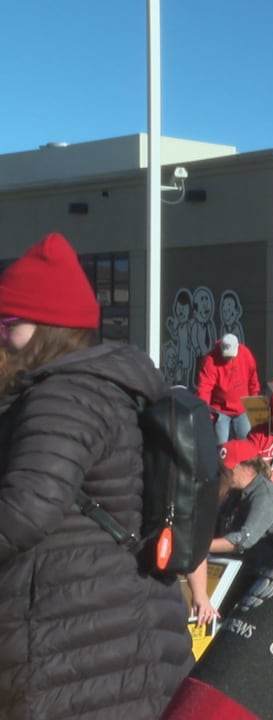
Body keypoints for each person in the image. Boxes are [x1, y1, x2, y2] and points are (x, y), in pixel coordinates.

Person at [0, 233, 191, 717]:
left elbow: (23, 511)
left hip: (82, 643)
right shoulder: (110, 386)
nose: (1, 334)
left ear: (48, 327)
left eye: (9, 322)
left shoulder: (65, 396)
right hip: (114, 629)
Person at [196, 332, 261, 443]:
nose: (229, 359)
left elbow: (253, 379)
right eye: (226, 356)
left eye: (231, 356)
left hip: (243, 407)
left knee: (246, 444)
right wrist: (204, 413)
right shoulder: (210, 361)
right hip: (220, 410)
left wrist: (254, 402)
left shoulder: (246, 354)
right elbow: (204, 389)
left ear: (238, 348)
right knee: (220, 446)